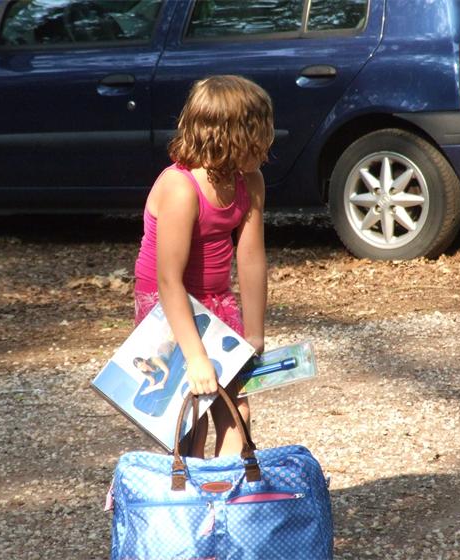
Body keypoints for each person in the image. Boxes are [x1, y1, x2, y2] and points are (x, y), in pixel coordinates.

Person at [134, 75, 273, 458]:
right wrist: (195, 357)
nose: (267, 147)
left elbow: (251, 258)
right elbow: (168, 281)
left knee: (236, 410)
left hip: (216, 299)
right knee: (190, 418)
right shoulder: (181, 189)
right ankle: (187, 487)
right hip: (168, 307)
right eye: (260, 137)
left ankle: (228, 486)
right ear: (232, 138)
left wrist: (254, 334)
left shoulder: (250, 181)